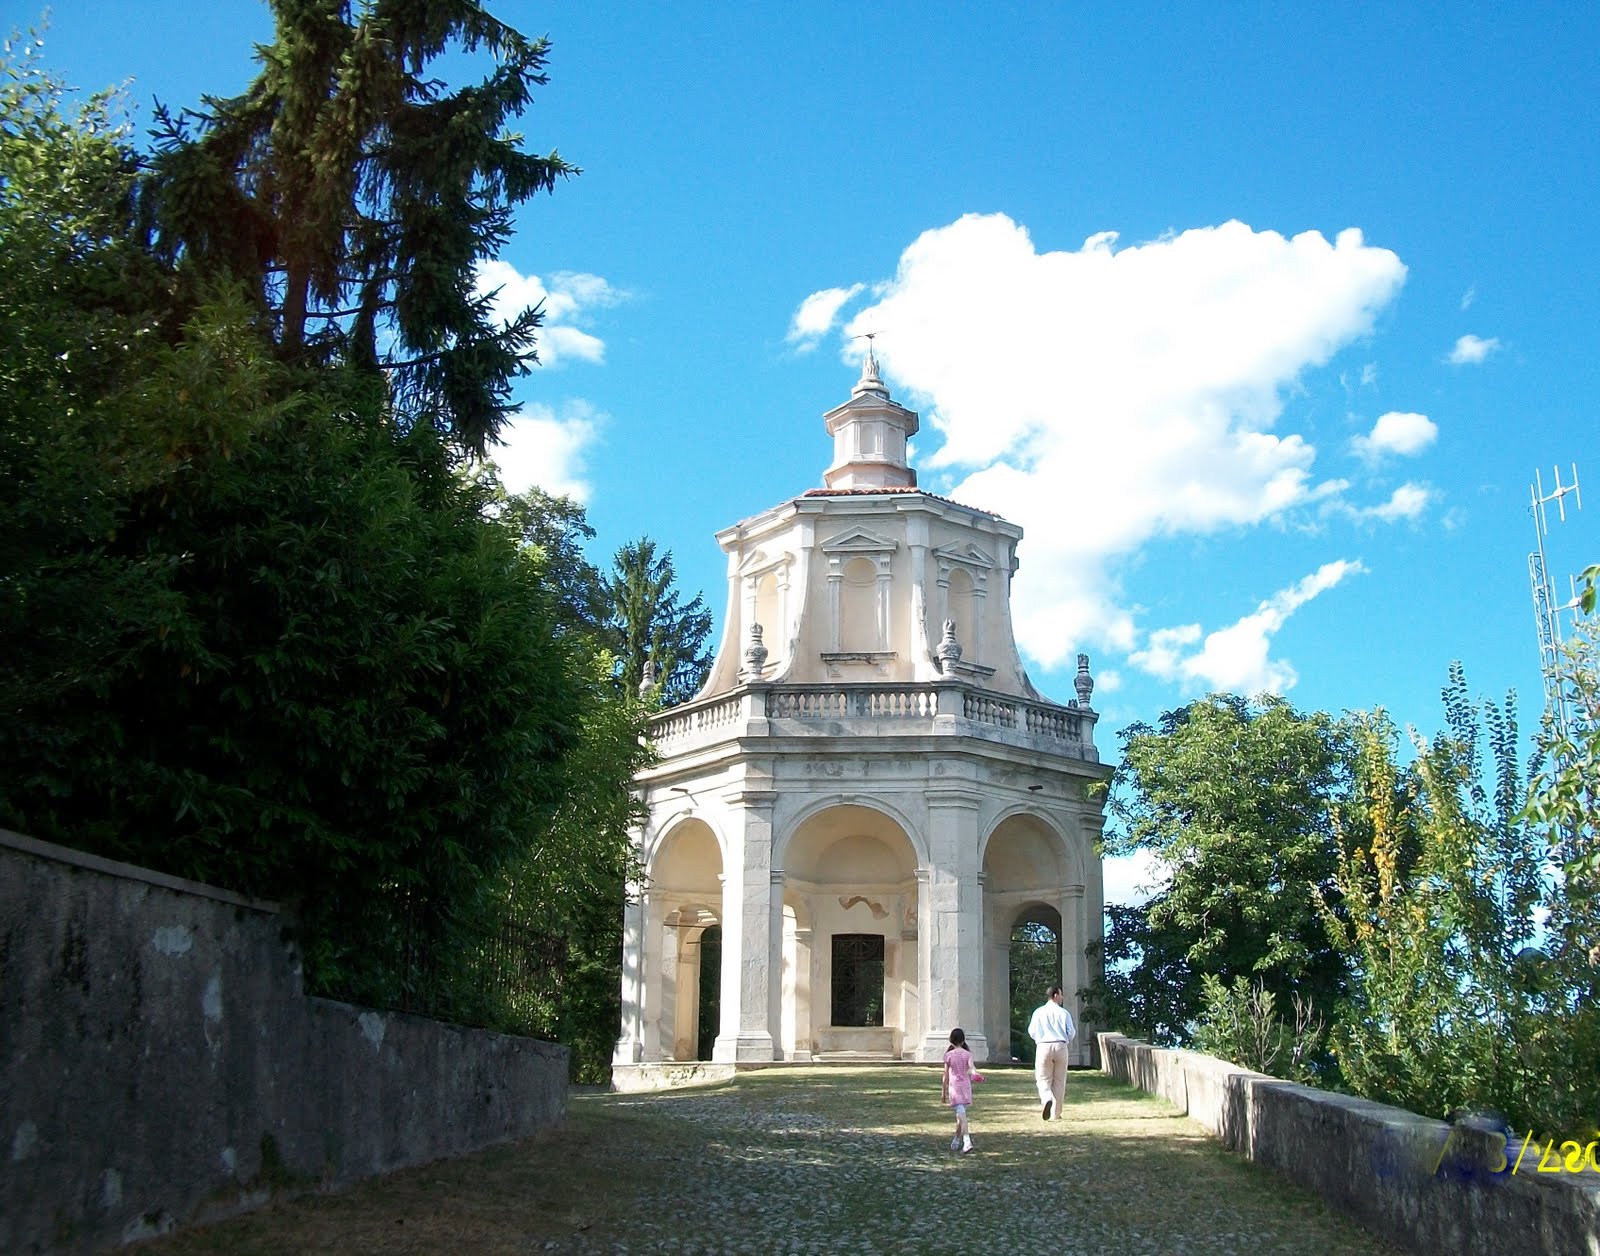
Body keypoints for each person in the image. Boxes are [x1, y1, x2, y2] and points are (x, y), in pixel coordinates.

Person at [1027, 983, 1076, 1121]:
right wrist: (1065, 1040)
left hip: (1043, 1046)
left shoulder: (1038, 1012)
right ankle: (1056, 1113)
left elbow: (1032, 1031)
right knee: (1059, 1080)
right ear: (1055, 995)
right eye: (1061, 994)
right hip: (1060, 1045)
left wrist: (1039, 1040)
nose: (1062, 997)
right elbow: (1071, 1032)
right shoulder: (1063, 1012)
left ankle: (1046, 1097)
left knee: (1043, 1078)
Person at [941, 1027, 985, 1154]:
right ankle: (956, 1139)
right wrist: (976, 1075)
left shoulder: (948, 1055)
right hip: (965, 1086)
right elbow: (972, 1068)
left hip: (955, 1087)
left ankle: (967, 1141)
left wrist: (943, 1092)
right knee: (961, 1114)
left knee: (961, 1114)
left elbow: (945, 1075)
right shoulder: (968, 1054)